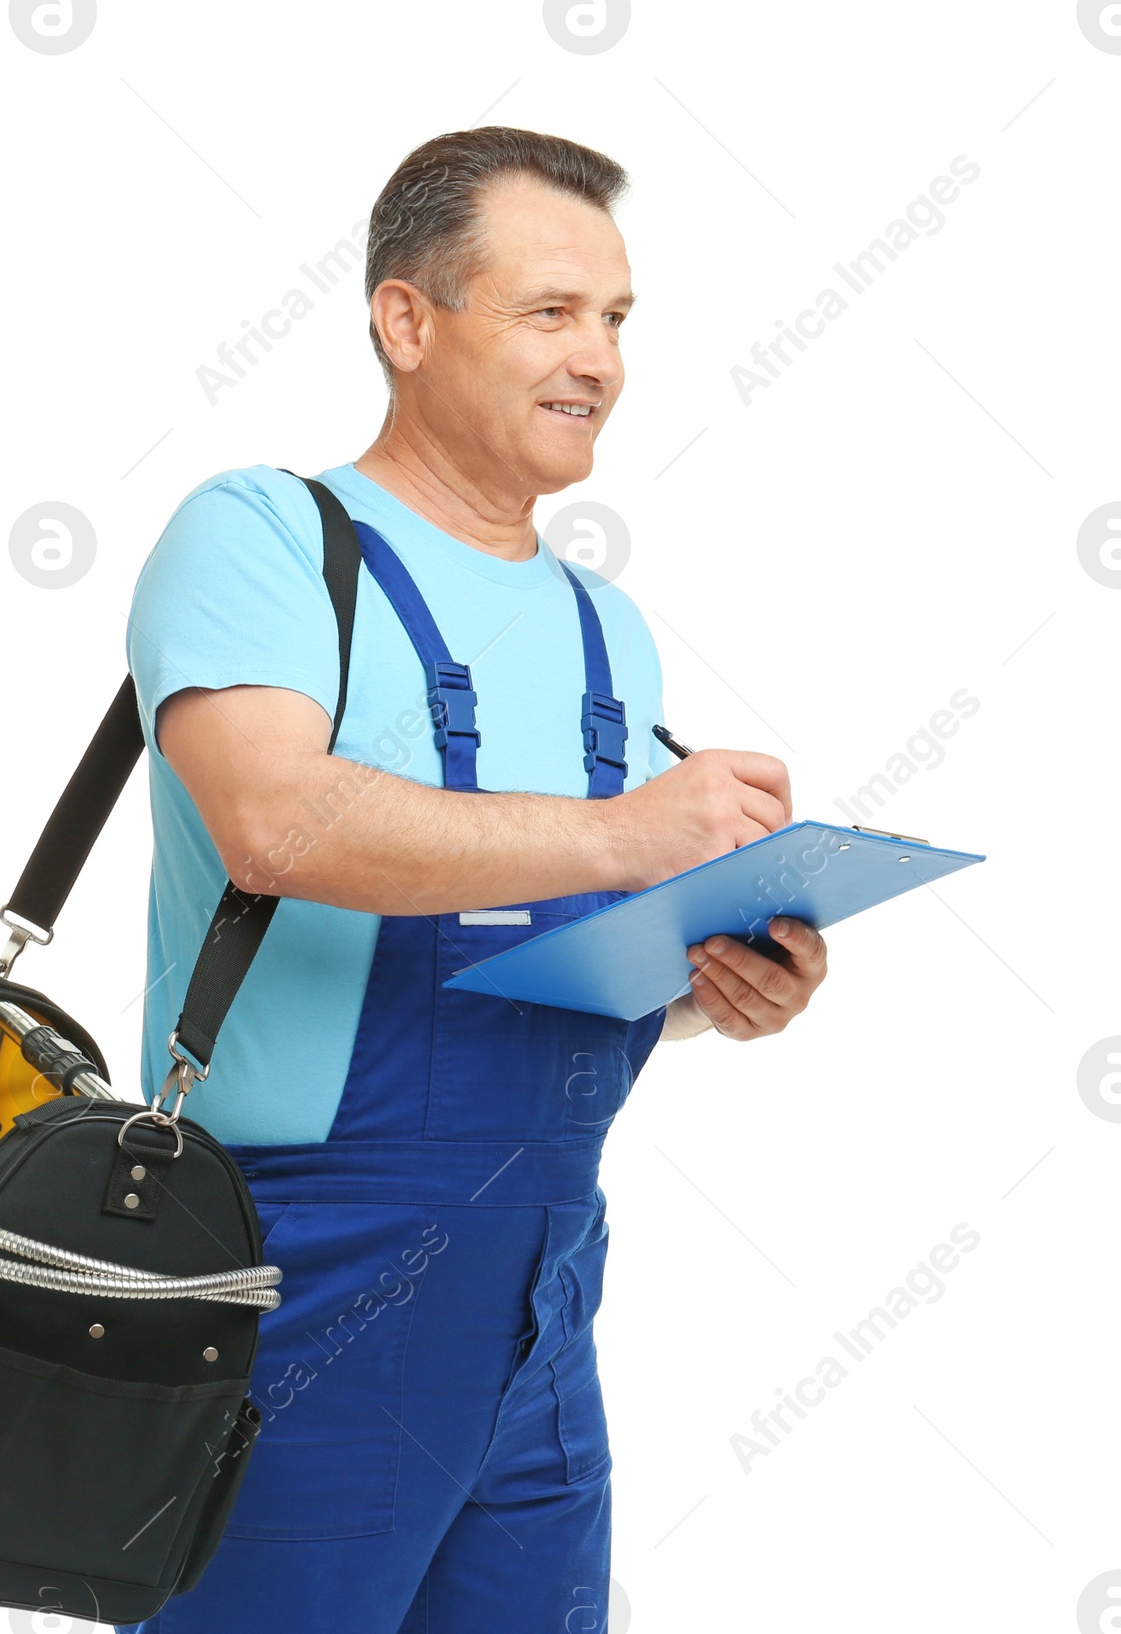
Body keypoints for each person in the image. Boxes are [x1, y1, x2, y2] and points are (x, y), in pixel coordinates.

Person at [119, 125, 828, 1634]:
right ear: (407, 320)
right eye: (551, 311)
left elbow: (549, 947)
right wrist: (634, 835)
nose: (601, 360)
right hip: (301, 1274)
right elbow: (273, 819)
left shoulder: (601, 629)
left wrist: (718, 982)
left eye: (619, 320)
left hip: (543, 1287)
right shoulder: (263, 537)